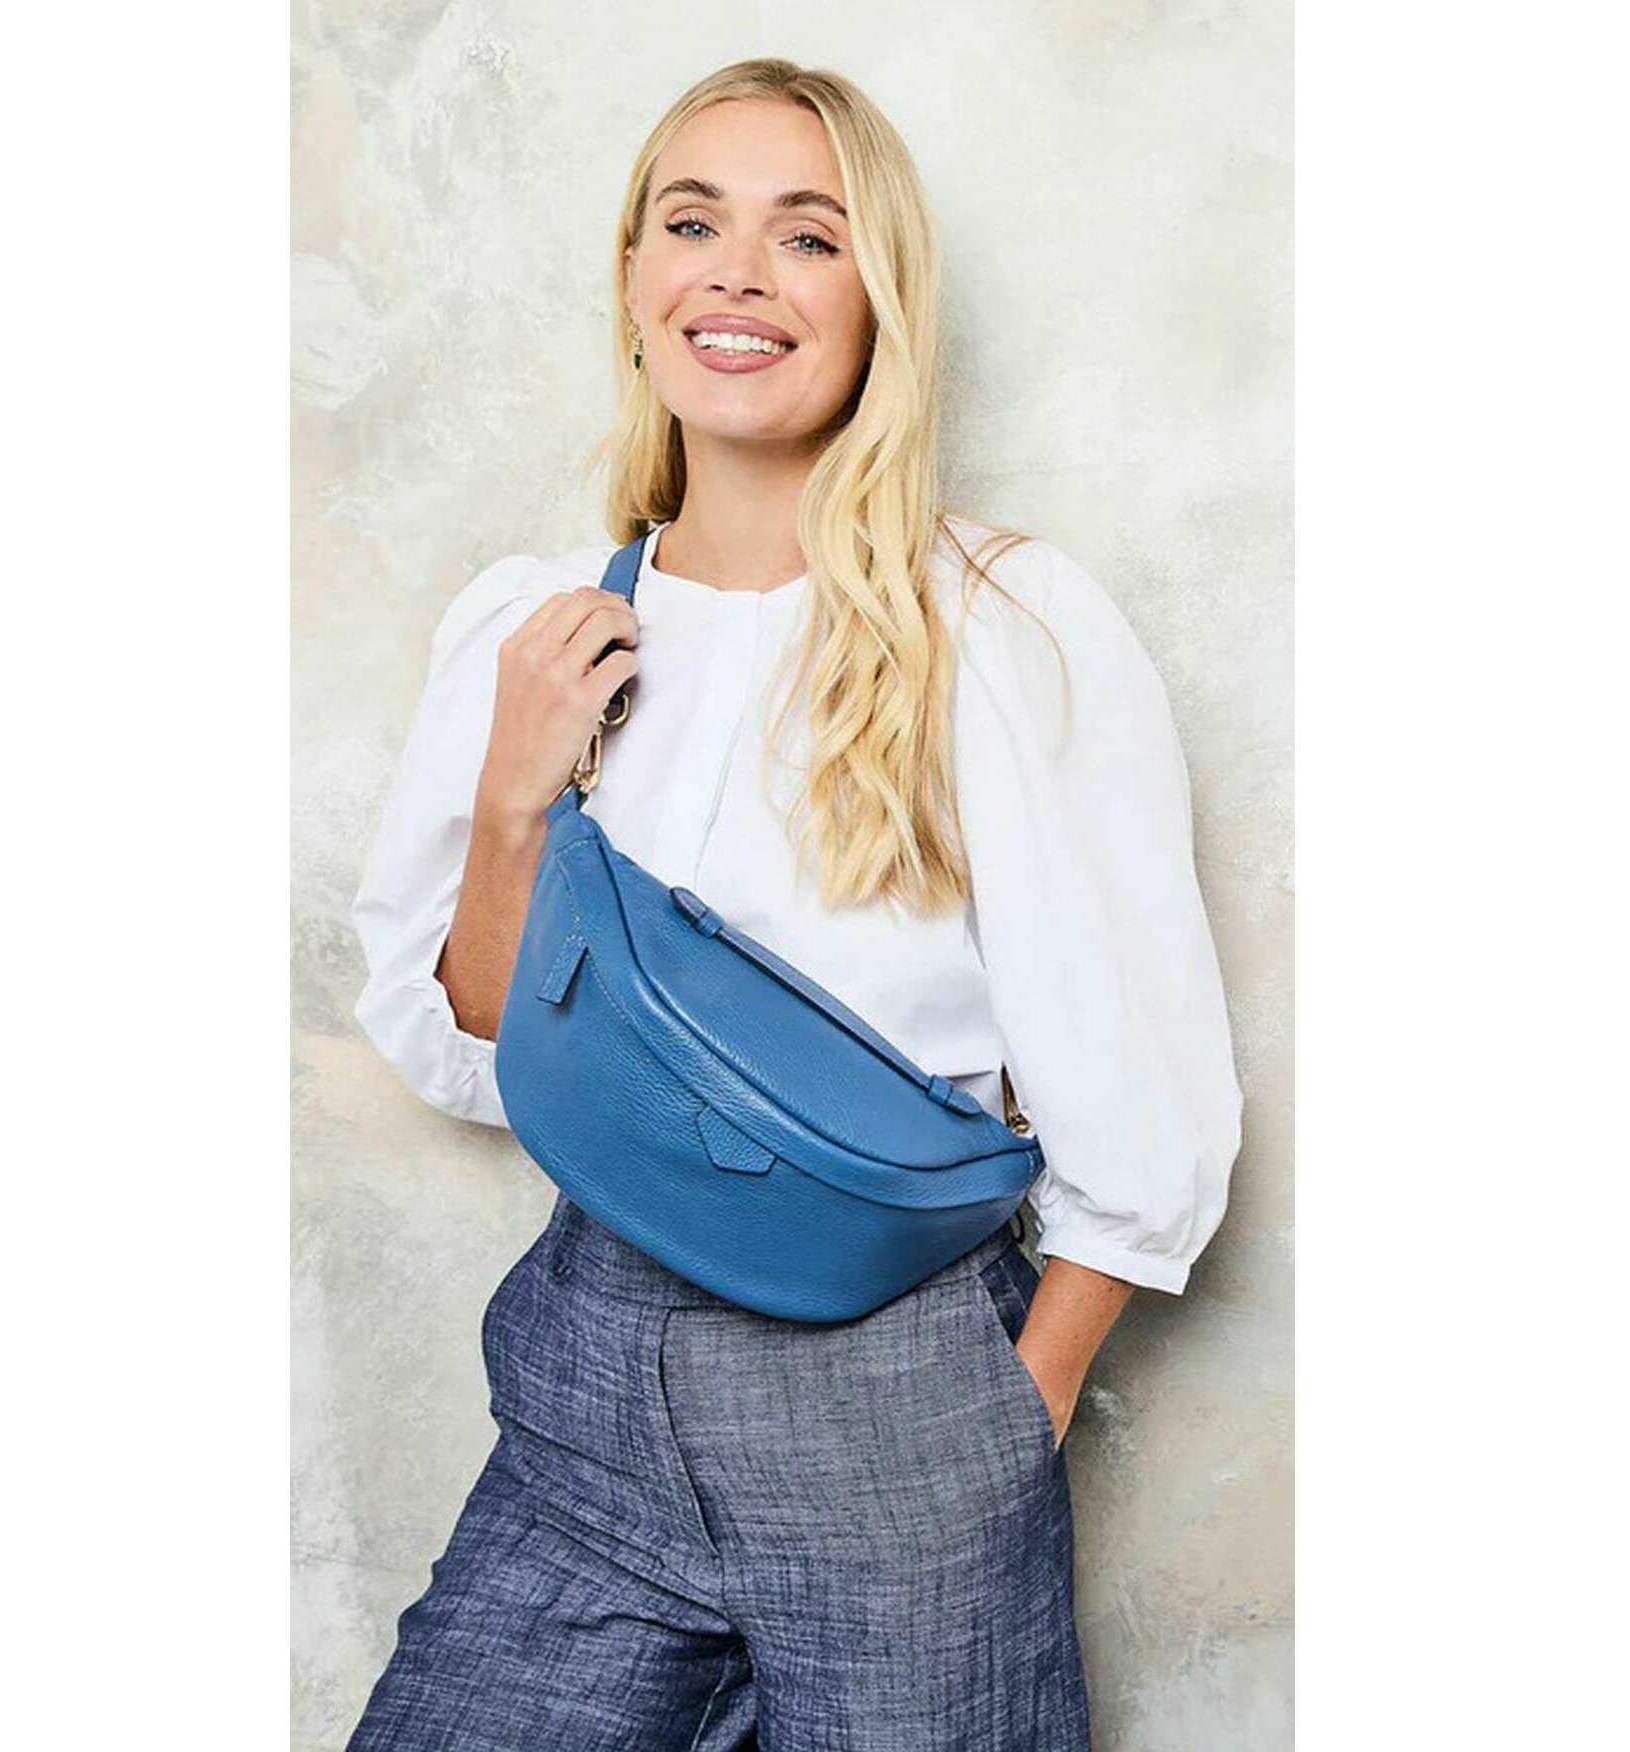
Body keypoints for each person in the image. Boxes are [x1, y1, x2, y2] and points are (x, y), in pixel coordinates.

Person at [343, 56, 1243, 1752]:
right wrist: (516, 792)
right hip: (587, 1385)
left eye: (809, 236)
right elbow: (475, 1043)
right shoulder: (536, 623)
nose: (739, 275)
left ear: (880, 298)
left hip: (901, 1391)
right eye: (693, 224)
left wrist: (1000, 1425)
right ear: (634, 280)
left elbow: (1141, 1098)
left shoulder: (1004, 624)